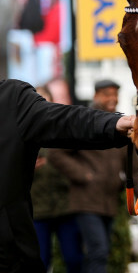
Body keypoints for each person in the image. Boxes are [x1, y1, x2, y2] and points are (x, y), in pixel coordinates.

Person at [0, 78, 134, 273]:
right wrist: (85, 175)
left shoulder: (10, 101)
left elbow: (65, 120)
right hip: (57, 209)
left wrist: (115, 123)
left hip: (69, 208)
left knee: (77, 257)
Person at [48, 79, 138, 273]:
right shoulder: (86, 122)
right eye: (107, 94)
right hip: (86, 200)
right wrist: (84, 175)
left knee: (97, 253)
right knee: (98, 251)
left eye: (115, 94)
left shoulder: (121, 124)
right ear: (95, 96)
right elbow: (56, 153)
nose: (112, 98)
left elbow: (132, 166)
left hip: (108, 202)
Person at [31, 84, 83, 272]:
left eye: (45, 100)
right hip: (36, 210)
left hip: (65, 206)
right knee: (41, 261)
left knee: (74, 258)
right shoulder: (23, 131)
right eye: (37, 100)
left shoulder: (63, 128)